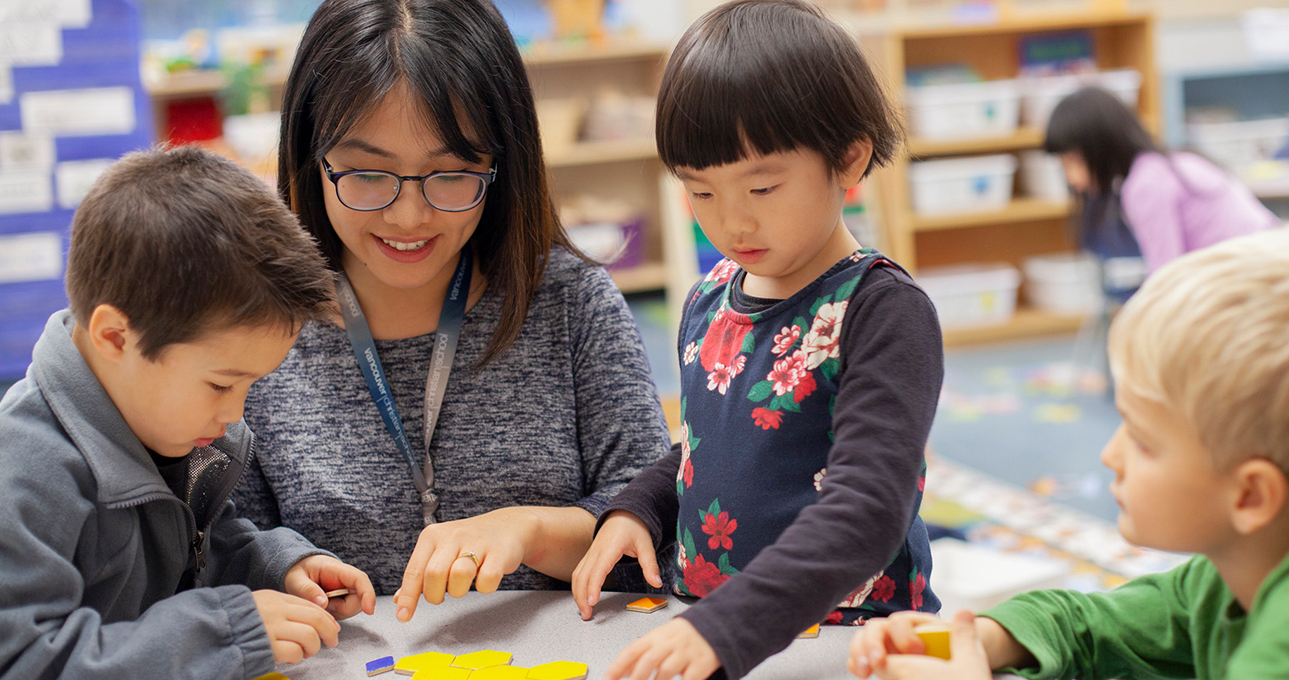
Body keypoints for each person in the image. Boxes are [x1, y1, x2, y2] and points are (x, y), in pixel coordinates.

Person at [233, 0, 672, 623]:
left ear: (501, 162)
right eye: (366, 173)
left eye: (451, 174)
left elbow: (654, 534)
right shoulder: (255, 329)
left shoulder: (570, 302)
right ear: (311, 156)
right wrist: (283, 567)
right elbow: (223, 546)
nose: (409, 216)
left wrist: (529, 530)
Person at [570, 2, 943, 678]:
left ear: (849, 157)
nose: (732, 219)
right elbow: (718, 443)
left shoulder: (882, 311)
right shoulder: (710, 296)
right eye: (700, 193)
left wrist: (728, 625)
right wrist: (642, 507)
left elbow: (868, 510)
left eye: (762, 185)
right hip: (713, 632)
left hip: (850, 641)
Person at [848, 225, 1289, 680]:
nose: (1110, 454)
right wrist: (978, 638)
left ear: (1251, 495)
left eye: (1141, 439)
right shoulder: (1239, 565)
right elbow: (1091, 623)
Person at [0, 146, 377, 679]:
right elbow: (23, 662)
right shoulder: (22, 472)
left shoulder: (165, 427)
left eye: (250, 384)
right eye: (221, 383)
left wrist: (277, 566)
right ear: (115, 336)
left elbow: (195, 552)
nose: (236, 412)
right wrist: (224, 633)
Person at [1046, 86, 1275, 274]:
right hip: (1273, 259)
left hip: (1256, 274)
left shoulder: (1144, 185)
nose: (1070, 178)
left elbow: (1166, 275)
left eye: (1072, 161)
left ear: (1101, 147)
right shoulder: (1166, 163)